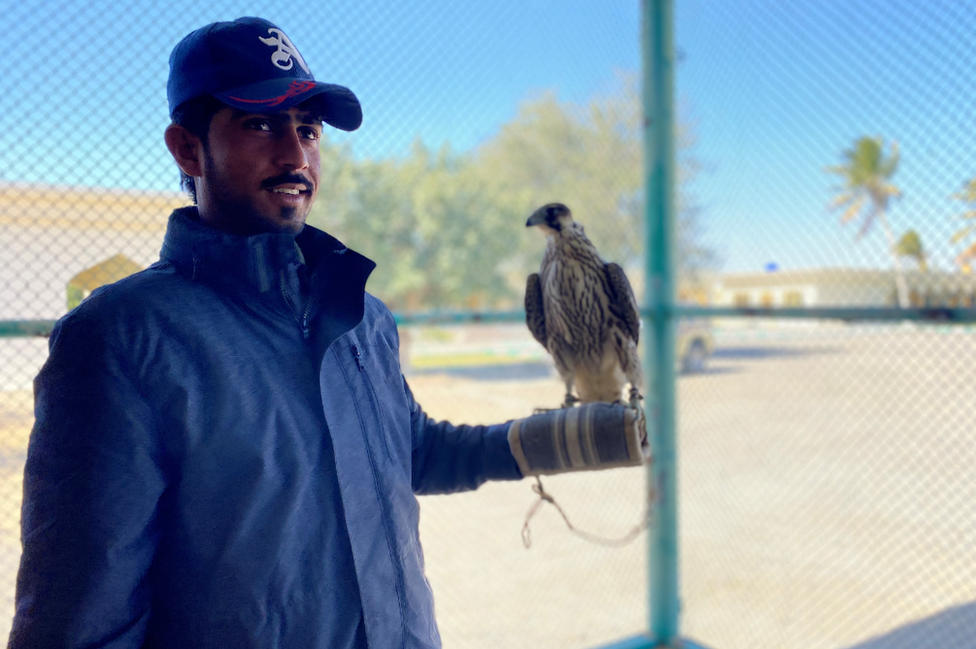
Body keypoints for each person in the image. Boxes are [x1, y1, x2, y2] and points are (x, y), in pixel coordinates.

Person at [10, 16, 645, 649]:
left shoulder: (364, 318)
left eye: (308, 129)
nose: (295, 154)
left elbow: (414, 452)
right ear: (186, 148)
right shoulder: (120, 340)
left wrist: (596, 434)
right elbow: (77, 627)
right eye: (260, 124)